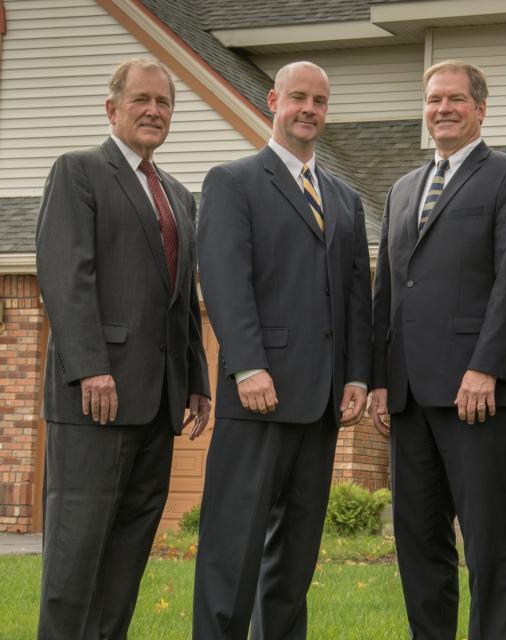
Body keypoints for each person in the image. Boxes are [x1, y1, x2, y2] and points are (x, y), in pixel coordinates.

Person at [368, 59, 506, 639]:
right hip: (409, 397)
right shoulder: (401, 189)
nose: (442, 108)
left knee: (491, 543)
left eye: (455, 99)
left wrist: (485, 367)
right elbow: (388, 290)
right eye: (433, 99)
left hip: (478, 394)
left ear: (480, 109)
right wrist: (377, 377)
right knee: (419, 542)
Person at [192, 61, 372, 639]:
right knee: (233, 549)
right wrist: (248, 364)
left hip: (320, 405)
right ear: (274, 100)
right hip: (258, 397)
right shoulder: (232, 181)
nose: (310, 110)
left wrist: (357, 376)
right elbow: (225, 282)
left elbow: (354, 295)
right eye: (299, 97)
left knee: (294, 560)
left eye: (320, 101)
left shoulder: (344, 199)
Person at [34, 58, 210, 639]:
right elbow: (66, 277)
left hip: (155, 408)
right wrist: (90, 369)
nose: (154, 111)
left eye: (164, 103)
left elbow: (181, 299)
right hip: (95, 403)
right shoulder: (79, 172)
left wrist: (196, 382)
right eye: (142, 100)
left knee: (127, 555)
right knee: (75, 555)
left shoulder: (179, 196)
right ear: (112, 108)